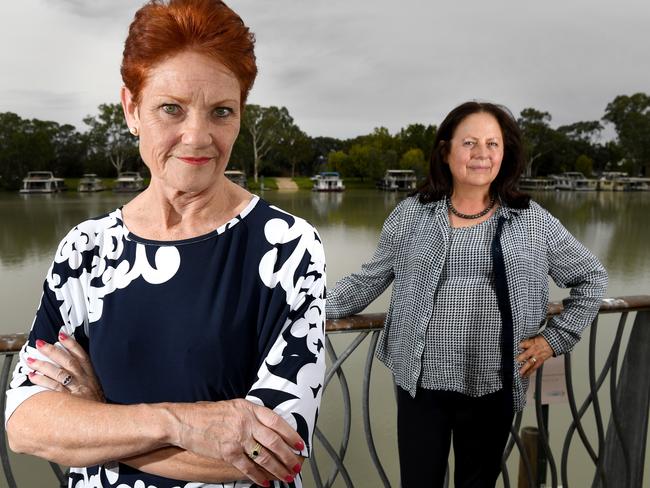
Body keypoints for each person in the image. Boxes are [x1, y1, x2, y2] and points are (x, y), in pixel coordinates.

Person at [5, 1, 326, 487]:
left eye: (221, 111)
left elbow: (276, 452)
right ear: (132, 110)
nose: (197, 137)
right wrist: (177, 423)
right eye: (170, 108)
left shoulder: (285, 247)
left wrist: (96, 420)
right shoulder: (87, 249)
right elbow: (27, 424)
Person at [326, 101, 607, 488]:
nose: (481, 154)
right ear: (446, 151)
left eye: (493, 144)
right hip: (420, 381)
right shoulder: (412, 214)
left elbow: (591, 277)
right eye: (469, 142)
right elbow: (368, 280)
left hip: (494, 381)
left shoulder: (532, 220)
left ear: (505, 154)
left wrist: (552, 340)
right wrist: (302, 308)